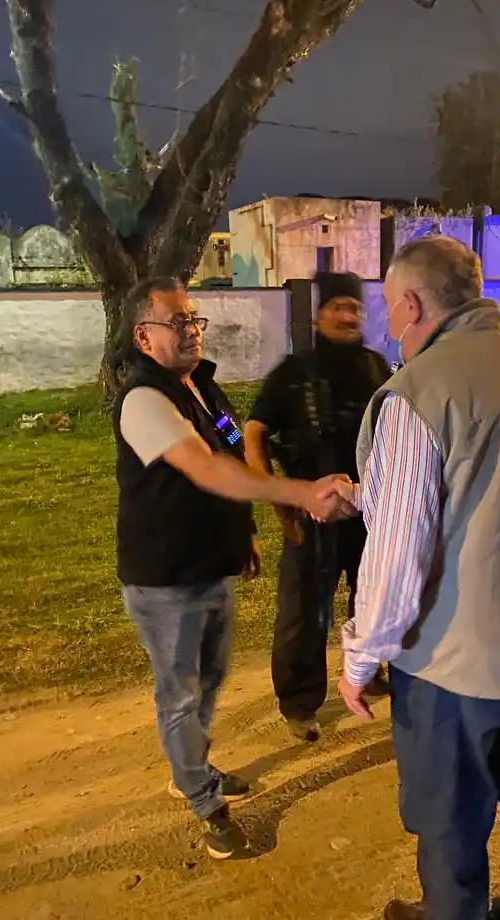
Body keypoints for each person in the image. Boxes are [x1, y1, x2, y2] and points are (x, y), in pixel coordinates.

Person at [332, 237, 500, 920]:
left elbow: (398, 556)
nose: (385, 322)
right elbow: (497, 491)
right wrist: (368, 491)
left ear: (411, 304)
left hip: (458, 662)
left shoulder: (420, 391)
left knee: (450, 807)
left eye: (387, 305)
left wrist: (360, 654)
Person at [112, 277, 352, 861]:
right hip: (166, 578)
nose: (193, 331)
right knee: (180, 694)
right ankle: (202, 800)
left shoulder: (201, 387)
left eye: (195, 319)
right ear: (145, 336)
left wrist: (243, 533)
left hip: (210, 565)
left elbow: (230, 455)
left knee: (208, 684)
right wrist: (299, 492)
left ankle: (191, 766)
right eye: (179, 322)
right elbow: (206, 470)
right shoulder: (145, 399)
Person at [244, 271, 391, 743]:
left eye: (355, 308)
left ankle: (367, 671)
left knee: (372, 600)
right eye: (338, 307)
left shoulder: (376, 368)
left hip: (370, 513)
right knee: (305, 612)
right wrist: (276, 499)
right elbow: (249, 432)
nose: (348, 316)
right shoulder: (293, 372)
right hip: (312, 515)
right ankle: (300, 702)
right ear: (319, 314)